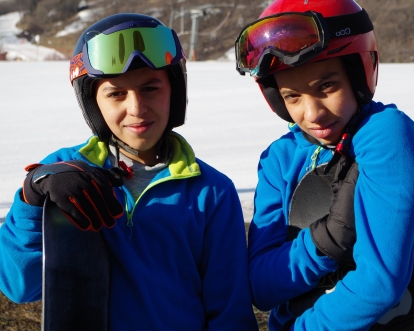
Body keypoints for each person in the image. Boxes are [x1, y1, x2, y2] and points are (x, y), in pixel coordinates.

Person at [0, 13, 258, 330]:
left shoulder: (211, 191)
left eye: (150, 88)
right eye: (116, 93)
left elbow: (229, 310)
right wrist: (31, 198)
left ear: (174, 92)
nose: (136, 108)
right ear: (93, 103)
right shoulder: (65, 173)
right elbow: (18, 285)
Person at [235, 0, 414, 330]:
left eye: (326, 86)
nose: (312, 114)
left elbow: (379, 284)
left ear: (359, 72)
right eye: (292, 96)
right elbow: (260, 286)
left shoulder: (386, 135)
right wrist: (323, 243)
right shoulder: (279, 160)